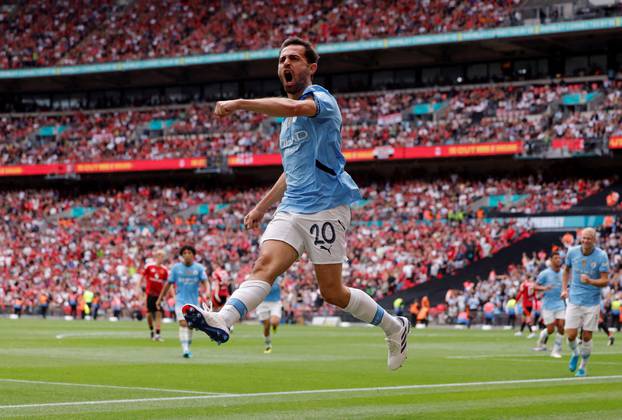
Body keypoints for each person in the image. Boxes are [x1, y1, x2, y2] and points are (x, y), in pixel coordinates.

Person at [182, 37, 410, 370]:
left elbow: (293, 107)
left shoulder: (321, 100)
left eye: (294, 59)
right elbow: (291, 171)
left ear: (311, 67)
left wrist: (241, 103)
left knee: (332, 292)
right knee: (265, 264)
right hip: (291, 207)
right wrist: (262, 207)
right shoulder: (287, 127)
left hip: (327, 207)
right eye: (281, 60)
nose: (286, 64)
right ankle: (224, 319)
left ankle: (394, 326)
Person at [563, 228, 610, 377]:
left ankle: (583, 367)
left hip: (592, 302)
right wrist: (564, 289)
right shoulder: (572, 252)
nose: (585, 241)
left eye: (589, 238)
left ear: (594, 240)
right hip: (574, 299)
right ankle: (575, 353)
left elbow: (605, 281)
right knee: (570, 335)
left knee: (587, 337)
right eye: (583, 238)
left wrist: (590, 281)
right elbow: (566, 271)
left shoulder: (601, 256)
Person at [157, 245, 208, 358]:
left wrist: (208, 291)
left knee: (190, 326)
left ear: (194, 255)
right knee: (183, 323)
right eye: (184, 253)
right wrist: (160, 298)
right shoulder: (176, 268)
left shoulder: (199, 268)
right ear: (182, 255)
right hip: (180, 301)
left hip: (194, 303)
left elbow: (205, 281)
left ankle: (187, 346)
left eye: (189, 252)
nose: (186, 255)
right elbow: (168, 284)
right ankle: (185, 350)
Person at [532, 251, 565, 358]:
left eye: (559, 258)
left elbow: (567, 286)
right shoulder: (544, 273)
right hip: (547, 305)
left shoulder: (564, 273)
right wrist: (544, 288)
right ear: (551, 260)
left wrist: (566, 291)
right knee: (550, 329)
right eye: (556, 258)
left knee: (561, 326)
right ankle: (542, 338)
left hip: (560, 303)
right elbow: (534, 287)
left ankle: (556, 350)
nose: (558, 260)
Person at [141, 250, 168, 341]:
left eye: (162, 256)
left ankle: (158, 334)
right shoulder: (149, 266)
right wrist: (138, 288)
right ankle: (152, 330)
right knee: (148, 315)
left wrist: (170, 294)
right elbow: (142, 277)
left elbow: (168, 283)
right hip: (150, 294)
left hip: (159, 296)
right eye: (159, 256)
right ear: (156, 257)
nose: (160, 258)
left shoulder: (164, 270)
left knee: (158, 314)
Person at [256, 276, 283, 353]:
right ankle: (268, 344)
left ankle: (274, 326)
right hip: (262, 303)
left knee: (274, 322)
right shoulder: (260, 276)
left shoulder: (278, 276)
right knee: (267, 326)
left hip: (275, 302)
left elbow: (283, 283)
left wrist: (282, 285)